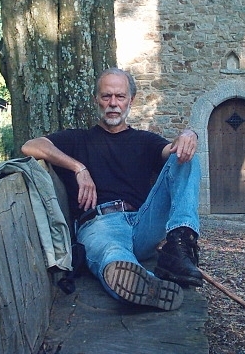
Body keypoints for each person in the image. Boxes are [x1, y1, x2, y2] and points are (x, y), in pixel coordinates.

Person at [21, 68, 202, 311]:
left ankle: (180, 245)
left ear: (131, 101)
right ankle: (142, 285)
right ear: (96, 99)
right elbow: (31, 146)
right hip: (99, 225)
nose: (113, 104)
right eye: (106, 97)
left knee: (187, 158)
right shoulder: (77, 139)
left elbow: (174, 152)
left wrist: (189, 134)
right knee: (112, 253)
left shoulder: (145, 140)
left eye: (120, 96)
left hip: (143, 223)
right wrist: (78, 167)